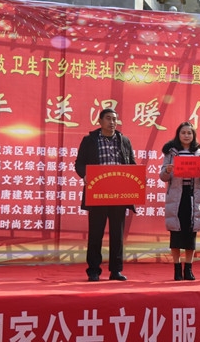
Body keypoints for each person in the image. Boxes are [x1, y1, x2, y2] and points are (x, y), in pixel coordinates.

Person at [75, 108, 136, 282]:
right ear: (100, 121)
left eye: (115, 119)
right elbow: (79, 164)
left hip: (119, 194)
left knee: (117, 235)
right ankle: (93, 270)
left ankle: (116, 270)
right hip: (98, 194)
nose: (112, 122)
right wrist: (85, 175)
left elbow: (132, 164)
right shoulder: (89, 140)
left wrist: (137, 178)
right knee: (95, 234)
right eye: (108, 118)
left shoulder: (124, 140)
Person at [159, 122, 200, 281]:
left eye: (189, 133)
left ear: (193, 135)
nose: (186, 135)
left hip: (193, 197)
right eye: (183, 132)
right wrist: (167, 170)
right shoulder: (171, 152)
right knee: (176, 234)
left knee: (191, 234)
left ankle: (188, 269)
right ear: (178, 135)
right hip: (176, 198)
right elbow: (162, 176)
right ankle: (177, 269)